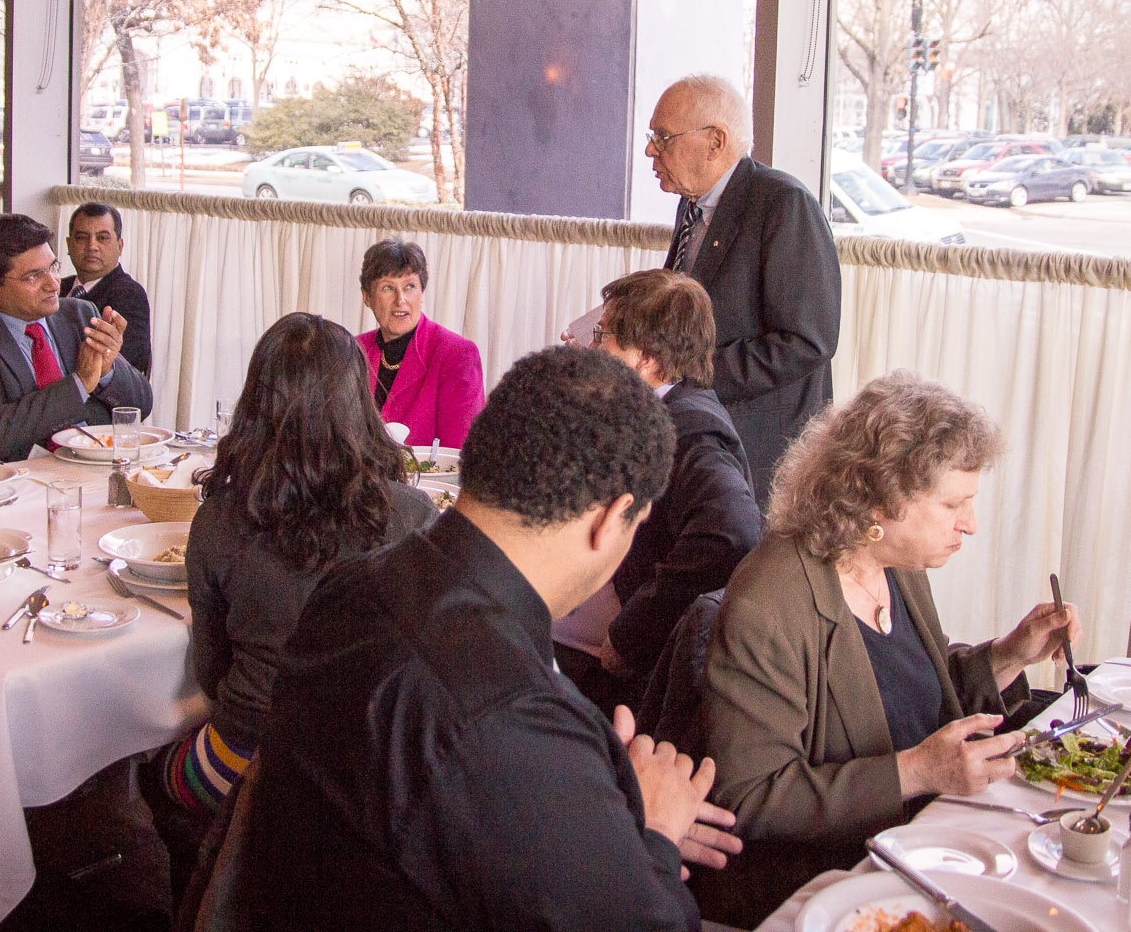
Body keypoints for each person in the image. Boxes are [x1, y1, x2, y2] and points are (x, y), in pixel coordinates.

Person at [237, 347, 741, 931]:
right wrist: (653, 833)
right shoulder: (506, 716)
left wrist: (586, 787)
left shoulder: (355, 583)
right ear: (612, 518)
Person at [696, 371, 1079, 925]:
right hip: (827, 888)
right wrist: (917, 772)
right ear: (880, 503)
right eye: (954, 505)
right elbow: (750, 796)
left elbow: (908, 692)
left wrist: (1012, 654)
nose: (969, 525)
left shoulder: (897, 567)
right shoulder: (771, 599)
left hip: (924, 852)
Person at [146, 312, 436, 891]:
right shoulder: (412, 515)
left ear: (256, 402)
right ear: (359, 403)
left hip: (251, 749)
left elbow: (211, 672)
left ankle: (201, 896)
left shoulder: (220, 522)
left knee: (154, 777)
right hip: (374, 760)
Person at [557, 268, 763, 714]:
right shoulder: (650, 405)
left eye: (604, 336)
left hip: (608, 669)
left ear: (647, 359)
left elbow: (734, 536)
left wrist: (632, 634)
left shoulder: (693, 431)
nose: (593, 346)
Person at [647, 75, 842, 498]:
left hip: (759, 454)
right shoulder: (693, 203)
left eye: (663, 137)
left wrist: (693, 375)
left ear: (716, 141)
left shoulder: (784, 203)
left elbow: (808, 341)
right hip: (703, 430)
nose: (651, 150)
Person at [0, 213, 152, 463]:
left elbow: (141, 406)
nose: (54, 284)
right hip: (18, 485)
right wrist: (79, 384)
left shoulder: (79, 313)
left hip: (96, 469)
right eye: (34, 276)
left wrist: (108, 371)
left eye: (53, 268)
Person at [355, 238, 485, 447]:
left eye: (410, 286)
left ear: (422, 292)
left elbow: (461, 453)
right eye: (388, 288)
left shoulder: (456, 354)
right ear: (367, 297)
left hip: (427, 479)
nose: (401, 300)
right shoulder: (353, 351)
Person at [61, 202, 152, 376]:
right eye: (81, 237)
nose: (92, 246)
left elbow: (122, 369)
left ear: (120, 246)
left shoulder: (129, 295)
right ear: (69, 244)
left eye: (102, 238)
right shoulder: (56, 288)